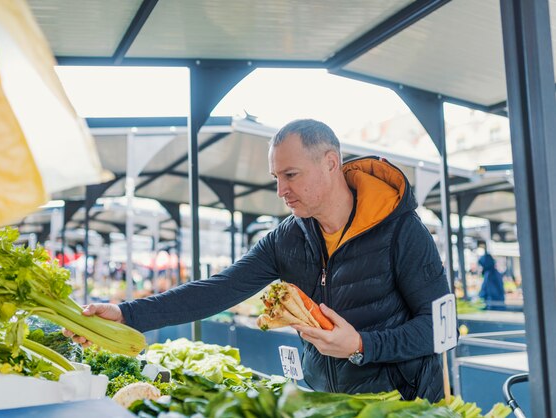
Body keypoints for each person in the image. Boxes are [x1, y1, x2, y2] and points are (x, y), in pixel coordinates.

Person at [64, 119, 451, 401]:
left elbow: (440, 329)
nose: (281, 190)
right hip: (326, 402)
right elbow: (219, 290)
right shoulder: (289, 237)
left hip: (403, 403)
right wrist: (126, 314)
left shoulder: (401, 230)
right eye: (275, 177)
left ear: (331, 163)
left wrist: (362, 344)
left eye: (291, 174)